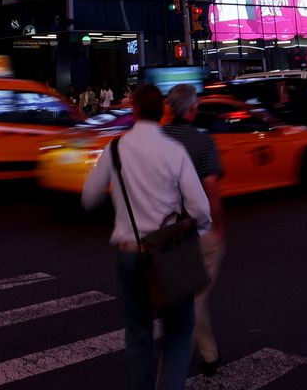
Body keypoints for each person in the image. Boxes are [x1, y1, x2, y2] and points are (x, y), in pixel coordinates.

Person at [81, 83, 212, 390]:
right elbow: (200, 208)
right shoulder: (174, 151)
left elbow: (88, 197)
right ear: (162, 111)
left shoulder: (114, 149)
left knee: (138, 333)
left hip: (128, 253)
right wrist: (199, 232)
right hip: (168, 252)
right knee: (179, 329)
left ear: (135, 110)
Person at [164, 84, 225, 377]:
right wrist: (219, 226)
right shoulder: (201, 142)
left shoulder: (159, 139)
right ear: (191, 109)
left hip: (164, 232)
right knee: (196, 297)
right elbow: (211, 188)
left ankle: (210, 354)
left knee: (183, 295)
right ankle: (176, 365)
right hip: (196, 229)